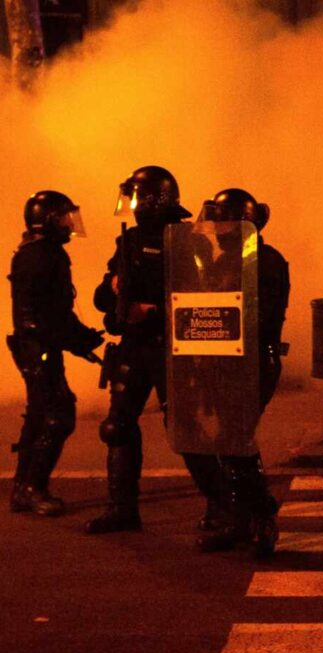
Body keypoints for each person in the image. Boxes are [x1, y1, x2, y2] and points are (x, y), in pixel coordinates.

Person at [85, 165, 205, 534]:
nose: (132, 204)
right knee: (117, 426)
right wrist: (116, 288)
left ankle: (222, 508)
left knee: (185, 430)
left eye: (137, 197)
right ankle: (121, 508)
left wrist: (151, 311)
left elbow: (206, 302)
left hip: (173, 348)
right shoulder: (131, 241)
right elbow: (102, 298)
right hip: (135, 347)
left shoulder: (187, 241)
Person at [194, 188, 290, 556]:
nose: (215, 227)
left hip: (252, 363)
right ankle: (241, 520)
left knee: (236, 439)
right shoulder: (223, 262)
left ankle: (262, 517)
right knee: (227, 443)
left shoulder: (266, 261)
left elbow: (260, 318)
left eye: (221, 220)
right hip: (221, 361)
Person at [7, 191, 104, 516]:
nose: (69, 224)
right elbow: (53, 315)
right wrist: (80, 341)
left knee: (39, 413)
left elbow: (54, 312)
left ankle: (23, 488)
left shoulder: (35, 252)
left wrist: (80, 340)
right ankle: (33, 488)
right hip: (39, 347)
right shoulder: (44, 255)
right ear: (48, 220)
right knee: (58, 414)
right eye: (63, 217)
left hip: (35, 346)